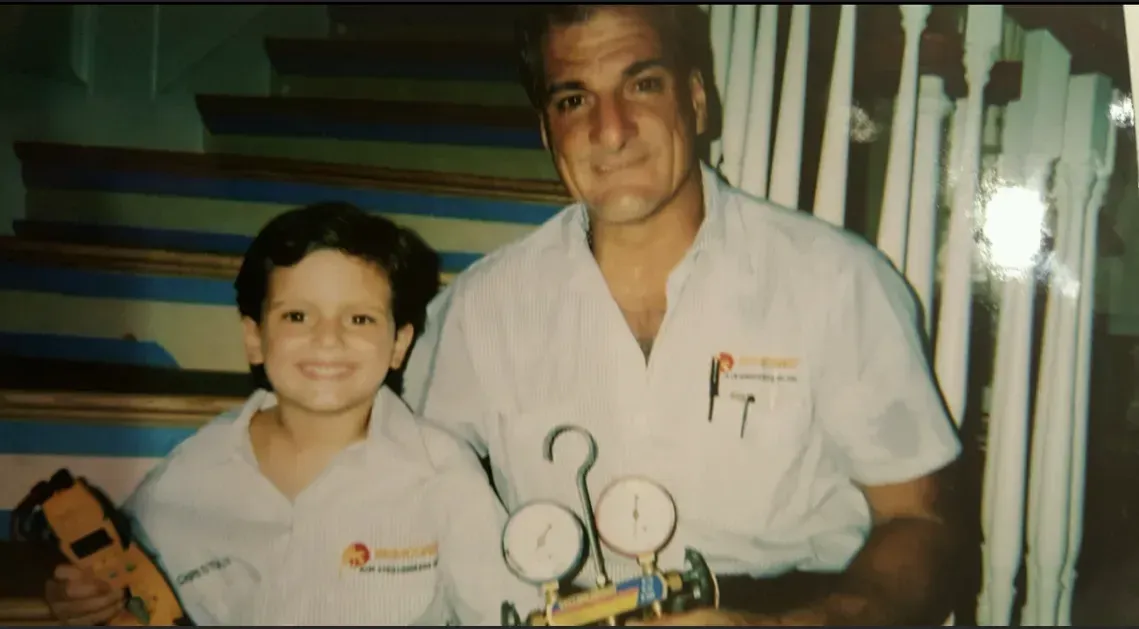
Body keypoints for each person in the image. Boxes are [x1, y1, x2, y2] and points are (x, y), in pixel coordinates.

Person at [402, 5, 963, 626]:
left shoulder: (836, 282)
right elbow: (408, 499)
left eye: (642, 85)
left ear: (696, 101)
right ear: (546, 130)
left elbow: (918, 520)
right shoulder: (481, 307)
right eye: (573, 100)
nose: (610, 130)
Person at [41, 202, 539, 626]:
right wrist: (82, 602)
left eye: (360, 318)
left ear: (399, 345)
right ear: (255, 337)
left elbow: (506, 611)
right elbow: (125, 590)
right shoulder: (188, 477)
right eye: (297, 315)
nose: (328, 338)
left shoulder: (442, 472)